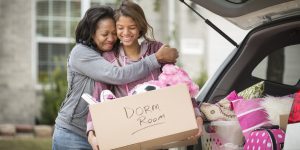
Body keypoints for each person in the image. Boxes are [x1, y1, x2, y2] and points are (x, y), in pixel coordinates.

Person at [52, 5, 178, 150]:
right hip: (74, 133)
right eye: (105, 34)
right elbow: (118, 75)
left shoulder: (111, 53)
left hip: (104, 135)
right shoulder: (81, 53)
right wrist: (156, 58)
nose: (111, 38)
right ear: (92, 33)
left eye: (113, 33)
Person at [86, 1, 203, 150]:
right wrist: (91, 134)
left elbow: (179, 83)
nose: (126, 33)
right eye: (120, 28)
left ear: (140, 27)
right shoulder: (110, 57)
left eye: (132, 27)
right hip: (127, 139)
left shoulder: (155, 50)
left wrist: (196, 116)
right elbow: (97, 96)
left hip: (159, 136)